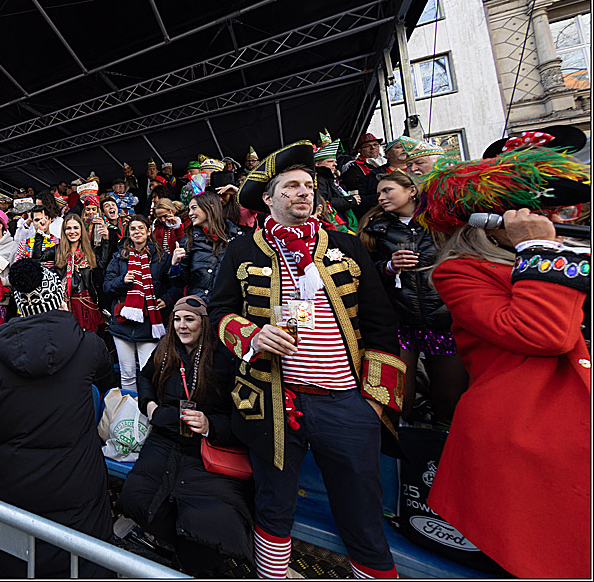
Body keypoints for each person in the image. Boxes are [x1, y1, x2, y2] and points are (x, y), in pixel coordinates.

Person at [209, 141, 404, 579]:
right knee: (274, 503)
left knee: (362, 512)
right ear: (268, 198)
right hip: (273, 400)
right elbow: (220, 313)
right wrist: (254, 337)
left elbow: (380, 325)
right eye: (291, 185)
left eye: (308, 185)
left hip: (347, 403)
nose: (303, 192)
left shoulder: (348, 246)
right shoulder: (243, 251)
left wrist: (372, 402)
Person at [414, 147, 590, 578]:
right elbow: (543, 333)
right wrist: (539, 249)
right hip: (529, 431)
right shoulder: (459, 270)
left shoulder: (564, 253)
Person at [0, 259, 114, 578]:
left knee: (17, 563)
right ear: (57, 299)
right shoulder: (88, 345)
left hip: (14, 483)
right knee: (83, 562)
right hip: (79, 482)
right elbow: (107, 381)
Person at [118, 296, 252, 577]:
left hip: (209, 448)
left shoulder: (224, 360)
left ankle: (192, 564)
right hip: (166, 437)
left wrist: (209, 424)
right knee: (137, 497)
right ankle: (169, 550)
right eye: (177, 319)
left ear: (203, 323)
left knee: (206, 525)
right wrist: (149, 405)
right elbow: (145, 378)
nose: (182, 326)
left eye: (189, 319)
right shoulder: (165, 351)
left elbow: (241, 419)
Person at [358, 171, 464, 426]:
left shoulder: (443, 223)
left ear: (411, 190)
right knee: (397, 400)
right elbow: (365, 273)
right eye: (379, 192)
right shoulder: (376, 229)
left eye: (388, 190)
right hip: (400, 323)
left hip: (444, 321)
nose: (381, 198)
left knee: (450, 401)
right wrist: (389, 267)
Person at [103, 215, 177, 391]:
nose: (137, 232)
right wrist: (123, 280)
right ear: (128, 233)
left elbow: (175, 286)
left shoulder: (162, 258)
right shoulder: (119, 257)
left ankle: (145, 413)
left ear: (148, 231)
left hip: (149, 324)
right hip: (122, 325)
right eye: (133, 229)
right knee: (127, 374)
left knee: (148, 373)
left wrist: (166, 300)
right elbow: (106, 286)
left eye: (140, 228)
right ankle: (129, 413)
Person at [171, 191, 245, 301]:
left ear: (211, 207)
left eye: (194, 208)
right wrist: (175, 264)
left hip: (227, 305)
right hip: (199, 304)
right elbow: (180, 282)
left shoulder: (236, 237)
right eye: (189, 209)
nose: (190, 213)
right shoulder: (189, 239)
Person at [53, 213, 103, 333]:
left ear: (81, 230)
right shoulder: (58, 250)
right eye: (68, 228)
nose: (72, 231)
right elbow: (37, 258)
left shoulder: (90, 251)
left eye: (76, 228)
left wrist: (105, 241)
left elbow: (102, 265)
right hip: (65, 304)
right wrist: (40, 234)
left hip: (86, 303)